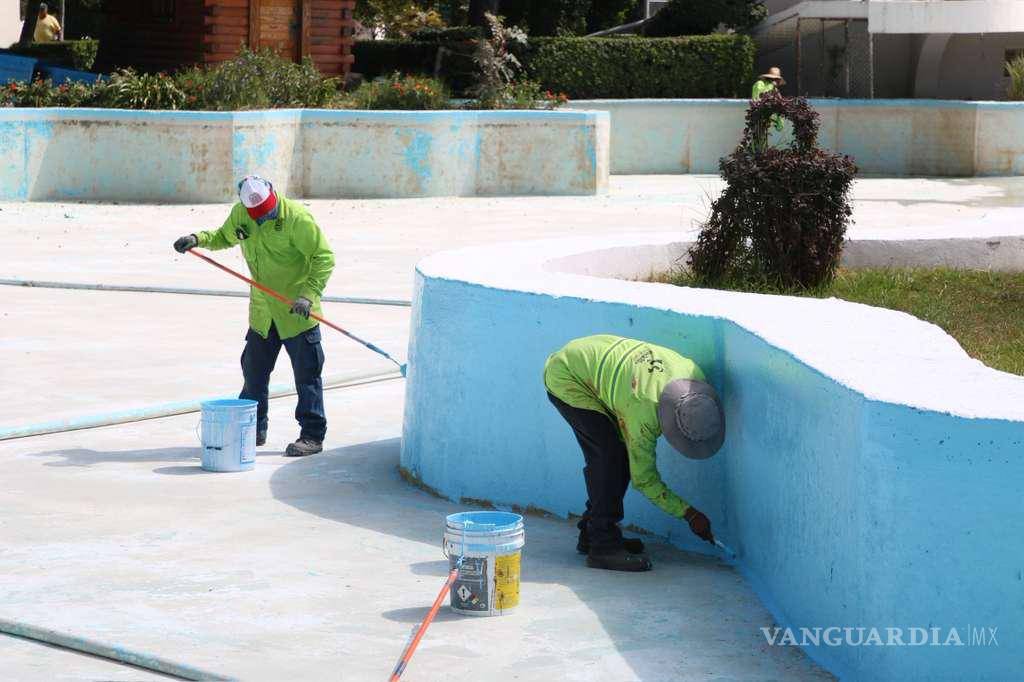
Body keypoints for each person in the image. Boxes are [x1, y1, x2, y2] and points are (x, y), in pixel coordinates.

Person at [173, 176, 335, 457]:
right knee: (253, 373)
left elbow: (324, 257)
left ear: (273, 193)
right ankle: (252, 430)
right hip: (263, 313)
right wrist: (197, 239)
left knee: (307, 376)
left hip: (296, 312)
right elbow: (223, 236)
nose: (263, 216)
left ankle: (312, 435)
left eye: (267, 210)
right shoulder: (241, 214)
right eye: (257, 213)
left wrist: (308, 295)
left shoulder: (297, 219)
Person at [544, 335, 725, 572]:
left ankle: (592, 533)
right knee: (610, 459)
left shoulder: (694, 377)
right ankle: (602, 546)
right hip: (567, 377)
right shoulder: (643, 414)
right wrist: (688, 513)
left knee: (615, 457)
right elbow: (644, 479)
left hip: (592, 354)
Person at [752, 66, 786, 139]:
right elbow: (758, 99)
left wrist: (779, 121)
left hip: (766, 121)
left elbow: (780, 105)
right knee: (757, 139)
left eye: (777, 80)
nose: (775, 82)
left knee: (763, 140)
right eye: (773, 79)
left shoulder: (775, 91)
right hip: (758, 119)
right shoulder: (760, 84)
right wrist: (771, 86)